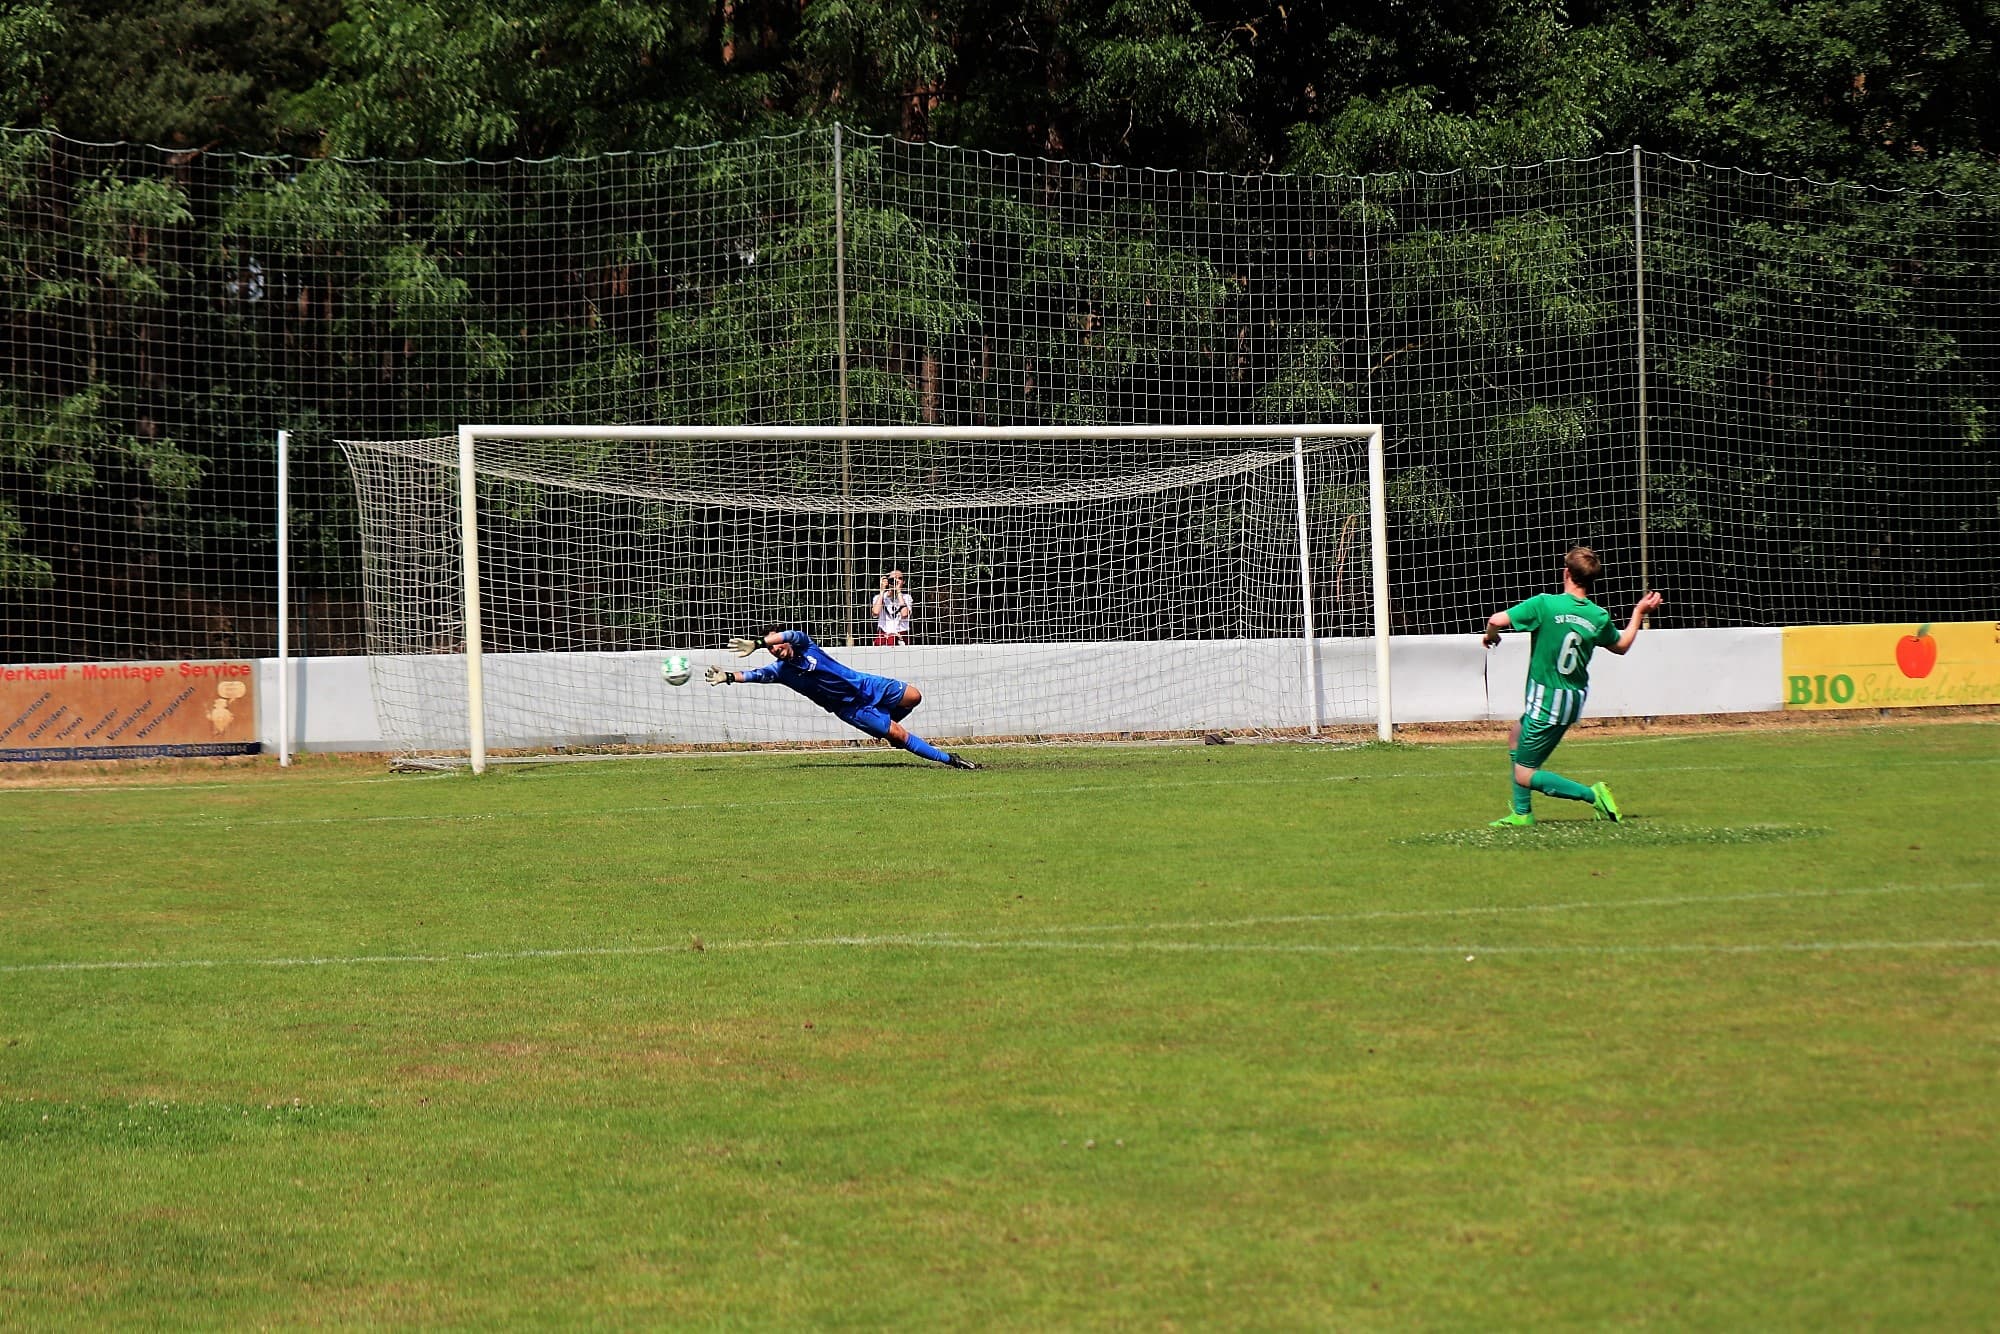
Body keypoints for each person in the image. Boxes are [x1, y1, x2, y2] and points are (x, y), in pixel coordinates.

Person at [1481, 547, 1663, 827]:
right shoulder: (1597, 616)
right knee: (1516, 736)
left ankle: (1593, 795)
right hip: (1571, 699)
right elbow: (1622, 646)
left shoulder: (1545, 605)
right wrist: (1639, 611)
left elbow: (1496, 620)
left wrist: (1492, 637)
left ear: (1566, 573)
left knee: (1524, 774)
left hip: (1547, 702)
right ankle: (1521, 813)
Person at [705, 627, 981, 769]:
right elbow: (754, 675)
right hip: (852, 709)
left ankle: (887, 724)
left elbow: (790, 633)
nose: (776, 650)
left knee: (914, 697)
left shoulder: (804, 643)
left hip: (867, 685)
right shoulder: (781, 671)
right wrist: (728, 677)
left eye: (777, 644)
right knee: (898, 734)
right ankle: (949, 760)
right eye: (772, 649)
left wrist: (758, 643)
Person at [871, 569, 912, 645]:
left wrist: (898, 591)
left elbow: (905, 614)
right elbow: (875, 612)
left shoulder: (906, 597)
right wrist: (882, 591)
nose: (896, 581)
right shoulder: (879, 597)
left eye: (899, 578)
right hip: (883, 635)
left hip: (901, 635)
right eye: (893, 579)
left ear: (904, 582)